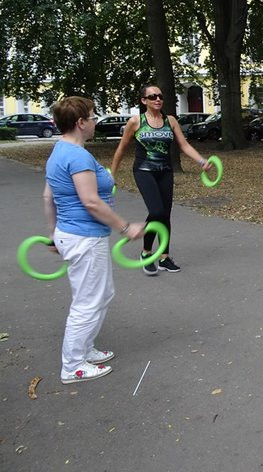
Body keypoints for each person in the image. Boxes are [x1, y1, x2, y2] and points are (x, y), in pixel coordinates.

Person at [44, 96, 146, 384]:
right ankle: (73, 366)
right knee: (88, 302)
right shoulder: (77, 156)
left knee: (101, 294)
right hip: (84, 237)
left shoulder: (60, 150)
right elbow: (90, 201)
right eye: (92, 116)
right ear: (81, 122)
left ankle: (85, 349)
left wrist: (53, 233)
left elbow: (48, 196)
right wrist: (125, 227)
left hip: (75, 234)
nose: (95, 120)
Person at [111, 84, 211, 275]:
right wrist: (112, 175)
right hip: (144, 171)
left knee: (165, 214)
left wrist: (201, 161)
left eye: (160, 96)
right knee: (156, 211)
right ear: (144, 101)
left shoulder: (170, 120)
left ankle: (164, 257)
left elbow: (184, 145)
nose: (158, 99)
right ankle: (146, 253)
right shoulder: (136, 121)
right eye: (152, 96)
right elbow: (121, 149)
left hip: (165, 171)